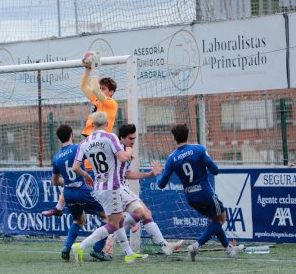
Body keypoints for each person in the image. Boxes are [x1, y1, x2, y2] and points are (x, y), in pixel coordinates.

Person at [42, 53, 118, 217]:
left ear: (111, 92)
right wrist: (87, 70)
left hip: (99, 147)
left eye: (105, 89)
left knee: (101, 202)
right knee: (75, 180)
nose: (101, 90)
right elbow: (84, 87)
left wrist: (95, 69)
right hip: (89, 145)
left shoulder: (110, 103)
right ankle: (59, 208)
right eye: (101, 88)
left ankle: (121, 217)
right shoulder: (98, 102)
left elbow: (95, 88)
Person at [154, 124, 244, 261]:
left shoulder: (171, 158)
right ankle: (195, 246)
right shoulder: (198, 149)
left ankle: (229, 249)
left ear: (174, 138)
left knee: (214, 220)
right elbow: (215, 170)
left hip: (191, 197)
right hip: (205, 193)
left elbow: (161, 184)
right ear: (188, 134)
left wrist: (157, 174)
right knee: (222, 218)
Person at [71, 112, 148, 266]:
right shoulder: (110, 137)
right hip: (112, 187)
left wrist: (86, 175)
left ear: (92, 125)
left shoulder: (84, 143)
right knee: (113, 224)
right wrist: (129, 152)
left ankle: (128, 254)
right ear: (107, 124)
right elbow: (123, 157)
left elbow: (75, 167)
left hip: (99, 187)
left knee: (117, 221)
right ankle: (81, 246)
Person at [106, 124, 184, 256]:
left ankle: (111, 239)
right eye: (130, 139)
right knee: (143, 213)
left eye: (134, 138)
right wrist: (129, 152)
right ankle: (164, 245)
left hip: (121, 188)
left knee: (144, 214)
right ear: (122, 138)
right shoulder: (122, 151)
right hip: (117, 188)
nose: (133, 141)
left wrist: (148, 175)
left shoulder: (124, 151)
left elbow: (127, 173)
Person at [51, 124, 111, 262]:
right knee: (108, 217)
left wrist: (68, 183)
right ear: (72, 134)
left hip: (68, 193)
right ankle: (97, 250)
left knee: (79, 220)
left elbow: (54, 181)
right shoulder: (78, 147)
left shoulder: (56, 157)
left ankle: (66, 247)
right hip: (83, 190)